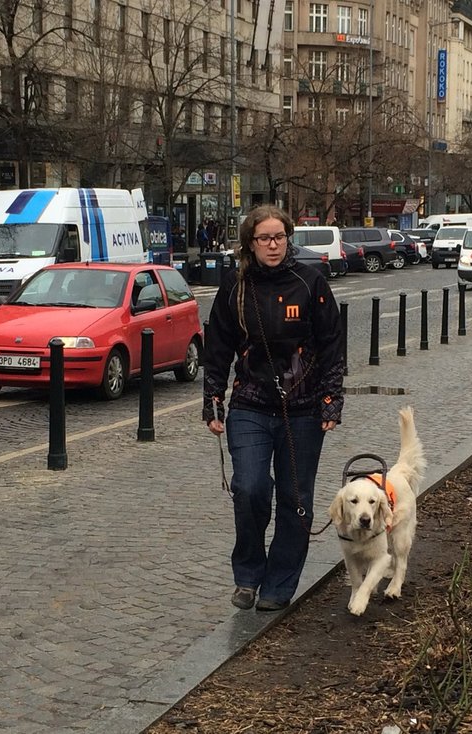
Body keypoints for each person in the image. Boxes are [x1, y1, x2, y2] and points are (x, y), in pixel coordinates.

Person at [202, 204, 344, 613]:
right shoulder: (235, 285)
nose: (273, 245)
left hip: (303, 409)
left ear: (289, 238)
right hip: (250, 403)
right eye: (264, 238)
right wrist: (213, 401)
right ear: (250, 242)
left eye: (279, 237)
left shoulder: (311, 282)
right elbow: (217, 351)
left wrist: (331, 399)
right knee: (249, 488)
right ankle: (247, 575)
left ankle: (278, 584)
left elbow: (332, 345)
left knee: (295, 497)